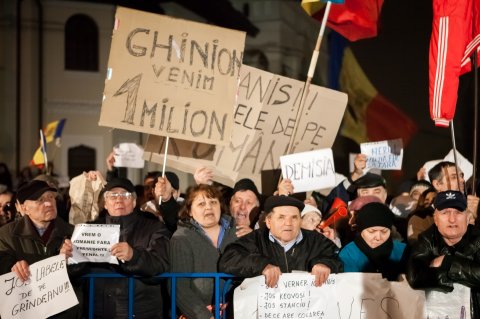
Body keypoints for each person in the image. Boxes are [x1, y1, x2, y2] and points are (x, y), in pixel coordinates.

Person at [68, 177, 170, 318]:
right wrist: (68, 259)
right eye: (112, 196)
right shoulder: (88, 231)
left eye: (125, 195)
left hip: (140, 313)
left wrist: (133, 256)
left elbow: (161, 265)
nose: (118, 200)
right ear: (105, 204)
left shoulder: (154, 228)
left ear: (134, 202)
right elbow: (75, 275)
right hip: (98, 312)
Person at [218, 195, 342, 288]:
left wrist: (325, 264)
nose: (288, 223)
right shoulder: (255, 239)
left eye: (294, 218)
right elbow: (228, 260)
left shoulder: (317, 240)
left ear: (300, 221)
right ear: (268, 221)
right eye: (281, 217)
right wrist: (262, 265)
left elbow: (337, 259)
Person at [0, 180, 81, 317]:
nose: (49, 203)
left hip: (64, 314)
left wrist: (69, 261)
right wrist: (12, 268)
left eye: (50, 197)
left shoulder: (73, 232)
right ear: (25, 208)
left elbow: (82, 273)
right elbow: (2, 265)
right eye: (40, 200)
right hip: (25, 312)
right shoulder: (6, 235)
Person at [406, 190, 480, 317]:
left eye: (458, 212)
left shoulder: (478, 238)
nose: (452, 219)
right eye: (445, 213)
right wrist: (463, 275)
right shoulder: (426, 240)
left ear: (467, 217)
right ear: (435, 219)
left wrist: (448, 262)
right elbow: (415, 277)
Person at [170, 184, 237, 319]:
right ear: (189, 211)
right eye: (201, 204)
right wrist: (205, 316)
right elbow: (179, 288)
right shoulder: (181, 239)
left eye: (213, 202)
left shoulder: (238, 234)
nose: (208, 207)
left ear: (220, 206)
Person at [339, 202, 408, 280]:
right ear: (361, 230)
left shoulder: (403, 251)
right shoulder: (349, 253)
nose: (378, 237)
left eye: (384, 231)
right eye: (372, 231)